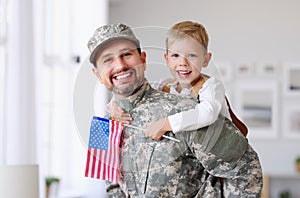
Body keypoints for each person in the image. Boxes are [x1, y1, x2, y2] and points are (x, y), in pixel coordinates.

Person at [87, 23, 262, 197]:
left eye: (126, 54)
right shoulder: (103, 124)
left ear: (143, 59)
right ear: (97, 73)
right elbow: (111, 186)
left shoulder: (186, 111)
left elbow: (246, 170)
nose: (120, 65)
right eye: (107, 59)